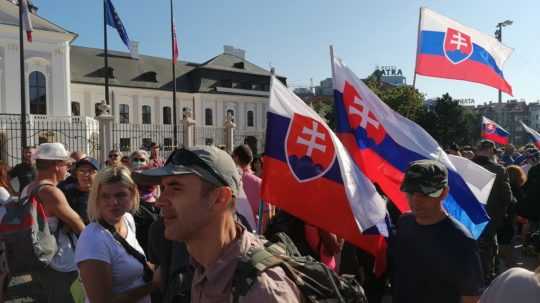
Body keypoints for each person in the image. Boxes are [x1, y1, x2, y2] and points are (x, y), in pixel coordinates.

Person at [134, 146, 302, 302]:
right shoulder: (203, 264)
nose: (160, 201)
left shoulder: (261, 291)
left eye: (176, 188)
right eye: (163, 188)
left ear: (219, 198)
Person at [389, 160, 484, 303]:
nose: (416, 200)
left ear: (444, 192)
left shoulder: (461, 240)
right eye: (410, 192)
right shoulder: (404, 222)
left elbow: (471, 297)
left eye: (425, 194)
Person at [75, 166, 156, 303]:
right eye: (105, 196)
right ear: (97, 198)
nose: (113, 203)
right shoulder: (93, 239)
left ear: (132, 194)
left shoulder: (127, 219)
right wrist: (153, 285)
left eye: (120, 195)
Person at [24, 143, 85, 303]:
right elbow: (77, 223)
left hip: (38, 257)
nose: (68, 169)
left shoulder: (28, 188)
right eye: (66, 164)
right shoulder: (50, 192)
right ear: (56, 165)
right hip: (59, 261)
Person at [473, 140, 514, 283]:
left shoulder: (464, 167)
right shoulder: (498, 170)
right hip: (489, 221)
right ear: (491, 151)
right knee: (487, 256)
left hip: (467, 219)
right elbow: (507, 197)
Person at [130, 150, 160, 254]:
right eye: (135, 160)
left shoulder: (156, 185)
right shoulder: (128, 186)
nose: (138, 162)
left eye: (142, 160)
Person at [63, 157, 99, 224]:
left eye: (90, 171)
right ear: (76, 174)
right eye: (81, 171)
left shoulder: (102, 193)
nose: (85, 175)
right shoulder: (66, 192)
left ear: (97, 174)